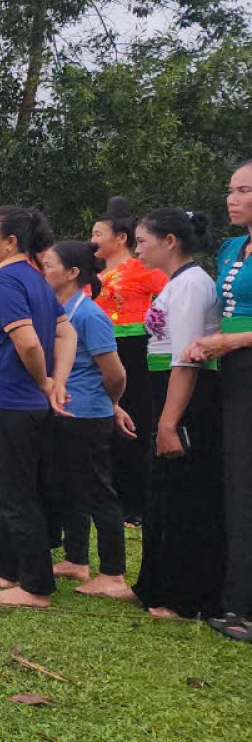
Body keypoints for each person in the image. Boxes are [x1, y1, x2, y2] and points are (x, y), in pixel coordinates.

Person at [0, 206, 76, 609]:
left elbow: (29, 342)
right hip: (20, 401)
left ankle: (35, 585)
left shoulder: (7, 281)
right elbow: (65, 332)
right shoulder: (34, 278)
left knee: (11, 491)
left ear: (10, 241)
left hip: (9, 400)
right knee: (13, 486)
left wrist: (46, 380)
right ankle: (7, 568)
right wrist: (55, 382)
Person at [132, 208, 225, 620]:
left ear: (170, 241)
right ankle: (155, 584)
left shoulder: (191, 286)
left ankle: (185, 596)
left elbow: (186, 360)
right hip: (162, 390)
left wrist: (169, 423)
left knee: (184, 496)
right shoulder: (176, 284)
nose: (137, 249)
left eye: (142, 241)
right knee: (162, 494)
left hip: (184, 397)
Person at [41, 241, 137, 601]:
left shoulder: (89, 315)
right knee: (67, 486)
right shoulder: (59, 310)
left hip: (87, 414)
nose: (44, 271)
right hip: (62, 410)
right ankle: (76, 559)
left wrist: (110, 405)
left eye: (49, 265)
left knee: (97, 491)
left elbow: (115, 373)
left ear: (72, 273)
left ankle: (113, 573)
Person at [185, 158, 252, 641]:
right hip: (226, 370)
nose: (233, 199)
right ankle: (229, 593)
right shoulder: (231, 247)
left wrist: (229, 341)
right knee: (232, 481)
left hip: (242, 358)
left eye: (245, 190)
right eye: (231, 189)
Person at [91, 197, 169, 528]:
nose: (92, 239)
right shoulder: (93, 274)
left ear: (120, 238)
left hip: (134, 349)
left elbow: (169, 295)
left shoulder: (142, 270)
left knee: (134, 419)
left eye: (98, 233)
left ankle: (134, 503)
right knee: (103, 418)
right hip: (99, 349)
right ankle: (106, 496)